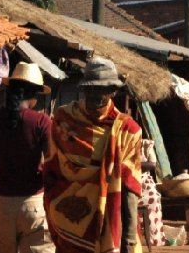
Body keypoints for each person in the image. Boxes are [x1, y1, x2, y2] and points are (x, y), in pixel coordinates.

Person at [43, 56, 143, 253]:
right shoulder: (63, 120)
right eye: (91, 89)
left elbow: (130, 185)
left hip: (109, 220)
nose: (96, 95)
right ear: (83, 89)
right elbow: (52, 168)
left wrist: (129, 238)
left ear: (113, 91)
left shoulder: (127, 129)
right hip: (67, 220)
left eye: (103, 90)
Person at [0, 62, 55, 253]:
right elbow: (53, 170)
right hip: (34, 206)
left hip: (1, 208)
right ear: (34, 97)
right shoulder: (42, 122)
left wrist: (2, 157)